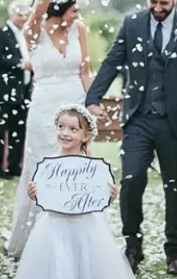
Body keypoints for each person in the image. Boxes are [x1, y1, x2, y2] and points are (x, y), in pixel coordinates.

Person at [85, 0, 177, 275]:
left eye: (164, 3)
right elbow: (112, 62)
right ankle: (133, 247)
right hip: (138, 119)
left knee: (176, 186)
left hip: (175, 122)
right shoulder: (131, 24)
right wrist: (93, 99)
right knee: (130, 181)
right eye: (153, 1)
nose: (157, 8)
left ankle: (174, 252)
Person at [6, 0, 92, 258]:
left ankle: (75, 237)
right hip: (44, 110)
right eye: (74, 7)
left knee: (75, 167)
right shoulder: (33, 32)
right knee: (43, 168)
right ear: (59, 6)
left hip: (76, 106)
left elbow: (85, 71)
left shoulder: (79, 29)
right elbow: (37, 10)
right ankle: (38, 241)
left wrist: (92, 104)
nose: (78, 12)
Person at [14, 104, 133, 279]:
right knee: (58, 263)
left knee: (86, 263)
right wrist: (34, 193)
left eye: (72, 129)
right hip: (54, 226)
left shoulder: (91, 167)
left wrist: (109, 195)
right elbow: (43, 194)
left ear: (85, 136)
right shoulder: (50, 164)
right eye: (61, 127)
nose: (64, 133)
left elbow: (97, 194)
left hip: (85, 225)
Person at [0, 2, 32, 178]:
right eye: (20, 14)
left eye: (25, 15)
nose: (23, 18)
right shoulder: (0, 33)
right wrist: (21, 64)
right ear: (11, 14)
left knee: (19, 130)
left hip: (23, 90)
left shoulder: (26, 35)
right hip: (4, 90)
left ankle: (14, 167)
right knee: (0, 131)